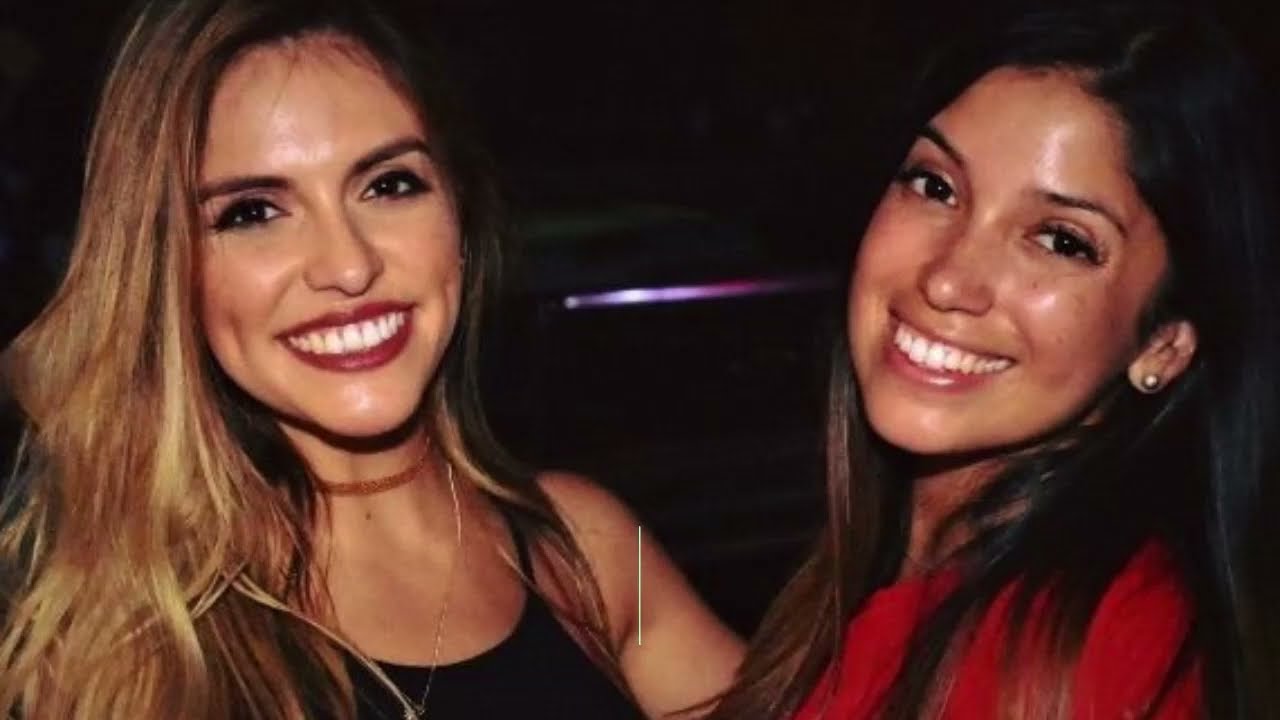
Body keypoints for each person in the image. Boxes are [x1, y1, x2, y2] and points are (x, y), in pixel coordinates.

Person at [0, 0, 744, 717]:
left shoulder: (583, 550)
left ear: (460, 216)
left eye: (390, 185)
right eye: (253, 212)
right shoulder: (109, 634)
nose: (349, 266)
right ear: (163, 269)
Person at [711, 2, 1280, 718]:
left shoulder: (1078, 652)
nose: (948, 281)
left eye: (1061, 241)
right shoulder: (936, 582)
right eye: (935, 186)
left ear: (1162, 344)